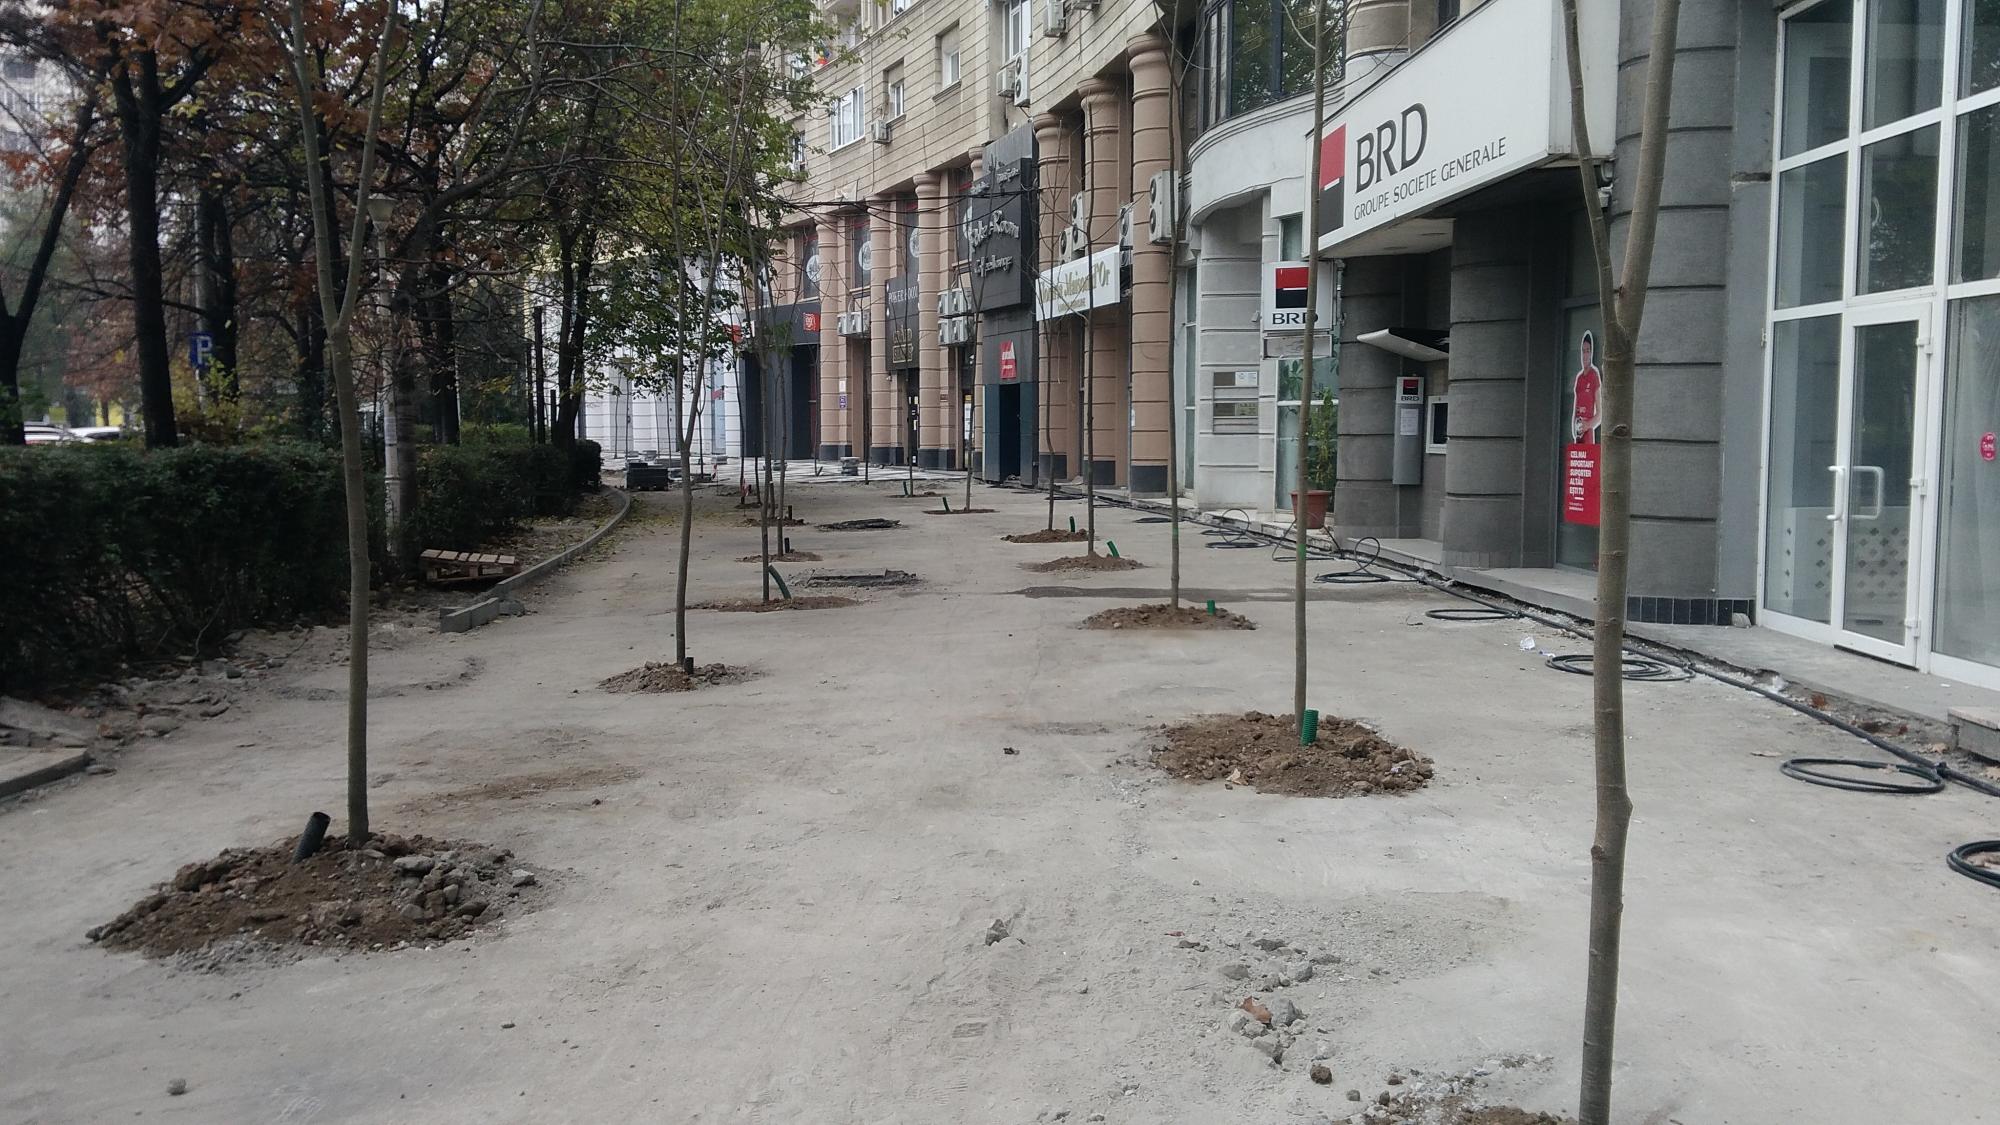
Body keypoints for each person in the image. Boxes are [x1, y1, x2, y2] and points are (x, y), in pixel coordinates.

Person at [1571, 331, 1602, 444]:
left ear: (1591, 353)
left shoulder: (1594, 376)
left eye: (1587, 351)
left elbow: (1599, 414)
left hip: (1588, 433)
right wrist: (1575, 428)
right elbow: (1575, 408)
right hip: (1577, 431)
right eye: (1583, 351)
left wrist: (1587, 425)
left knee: (1588, 453)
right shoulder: (1579, 378)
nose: (1585, 355)